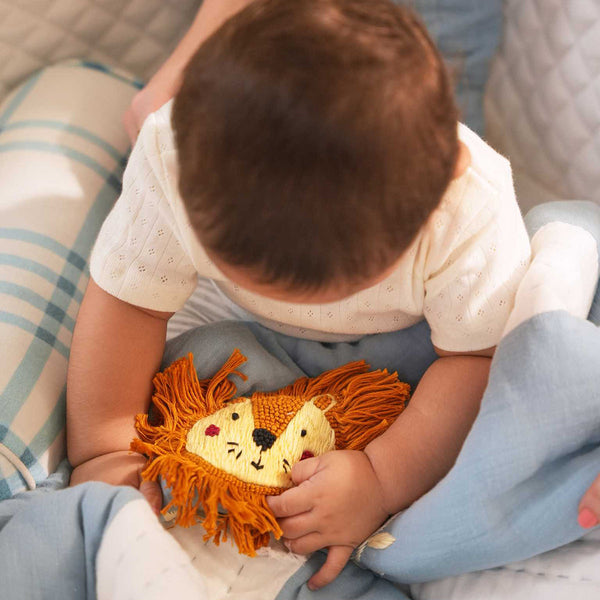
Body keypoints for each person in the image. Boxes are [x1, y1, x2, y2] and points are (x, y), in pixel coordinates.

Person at [65, 0, 594, 591]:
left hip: (417, 339)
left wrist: (378, 477)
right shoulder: (171, 152)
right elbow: (129, 301)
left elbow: (474, 360)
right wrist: (105, 449)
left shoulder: (468, 205)